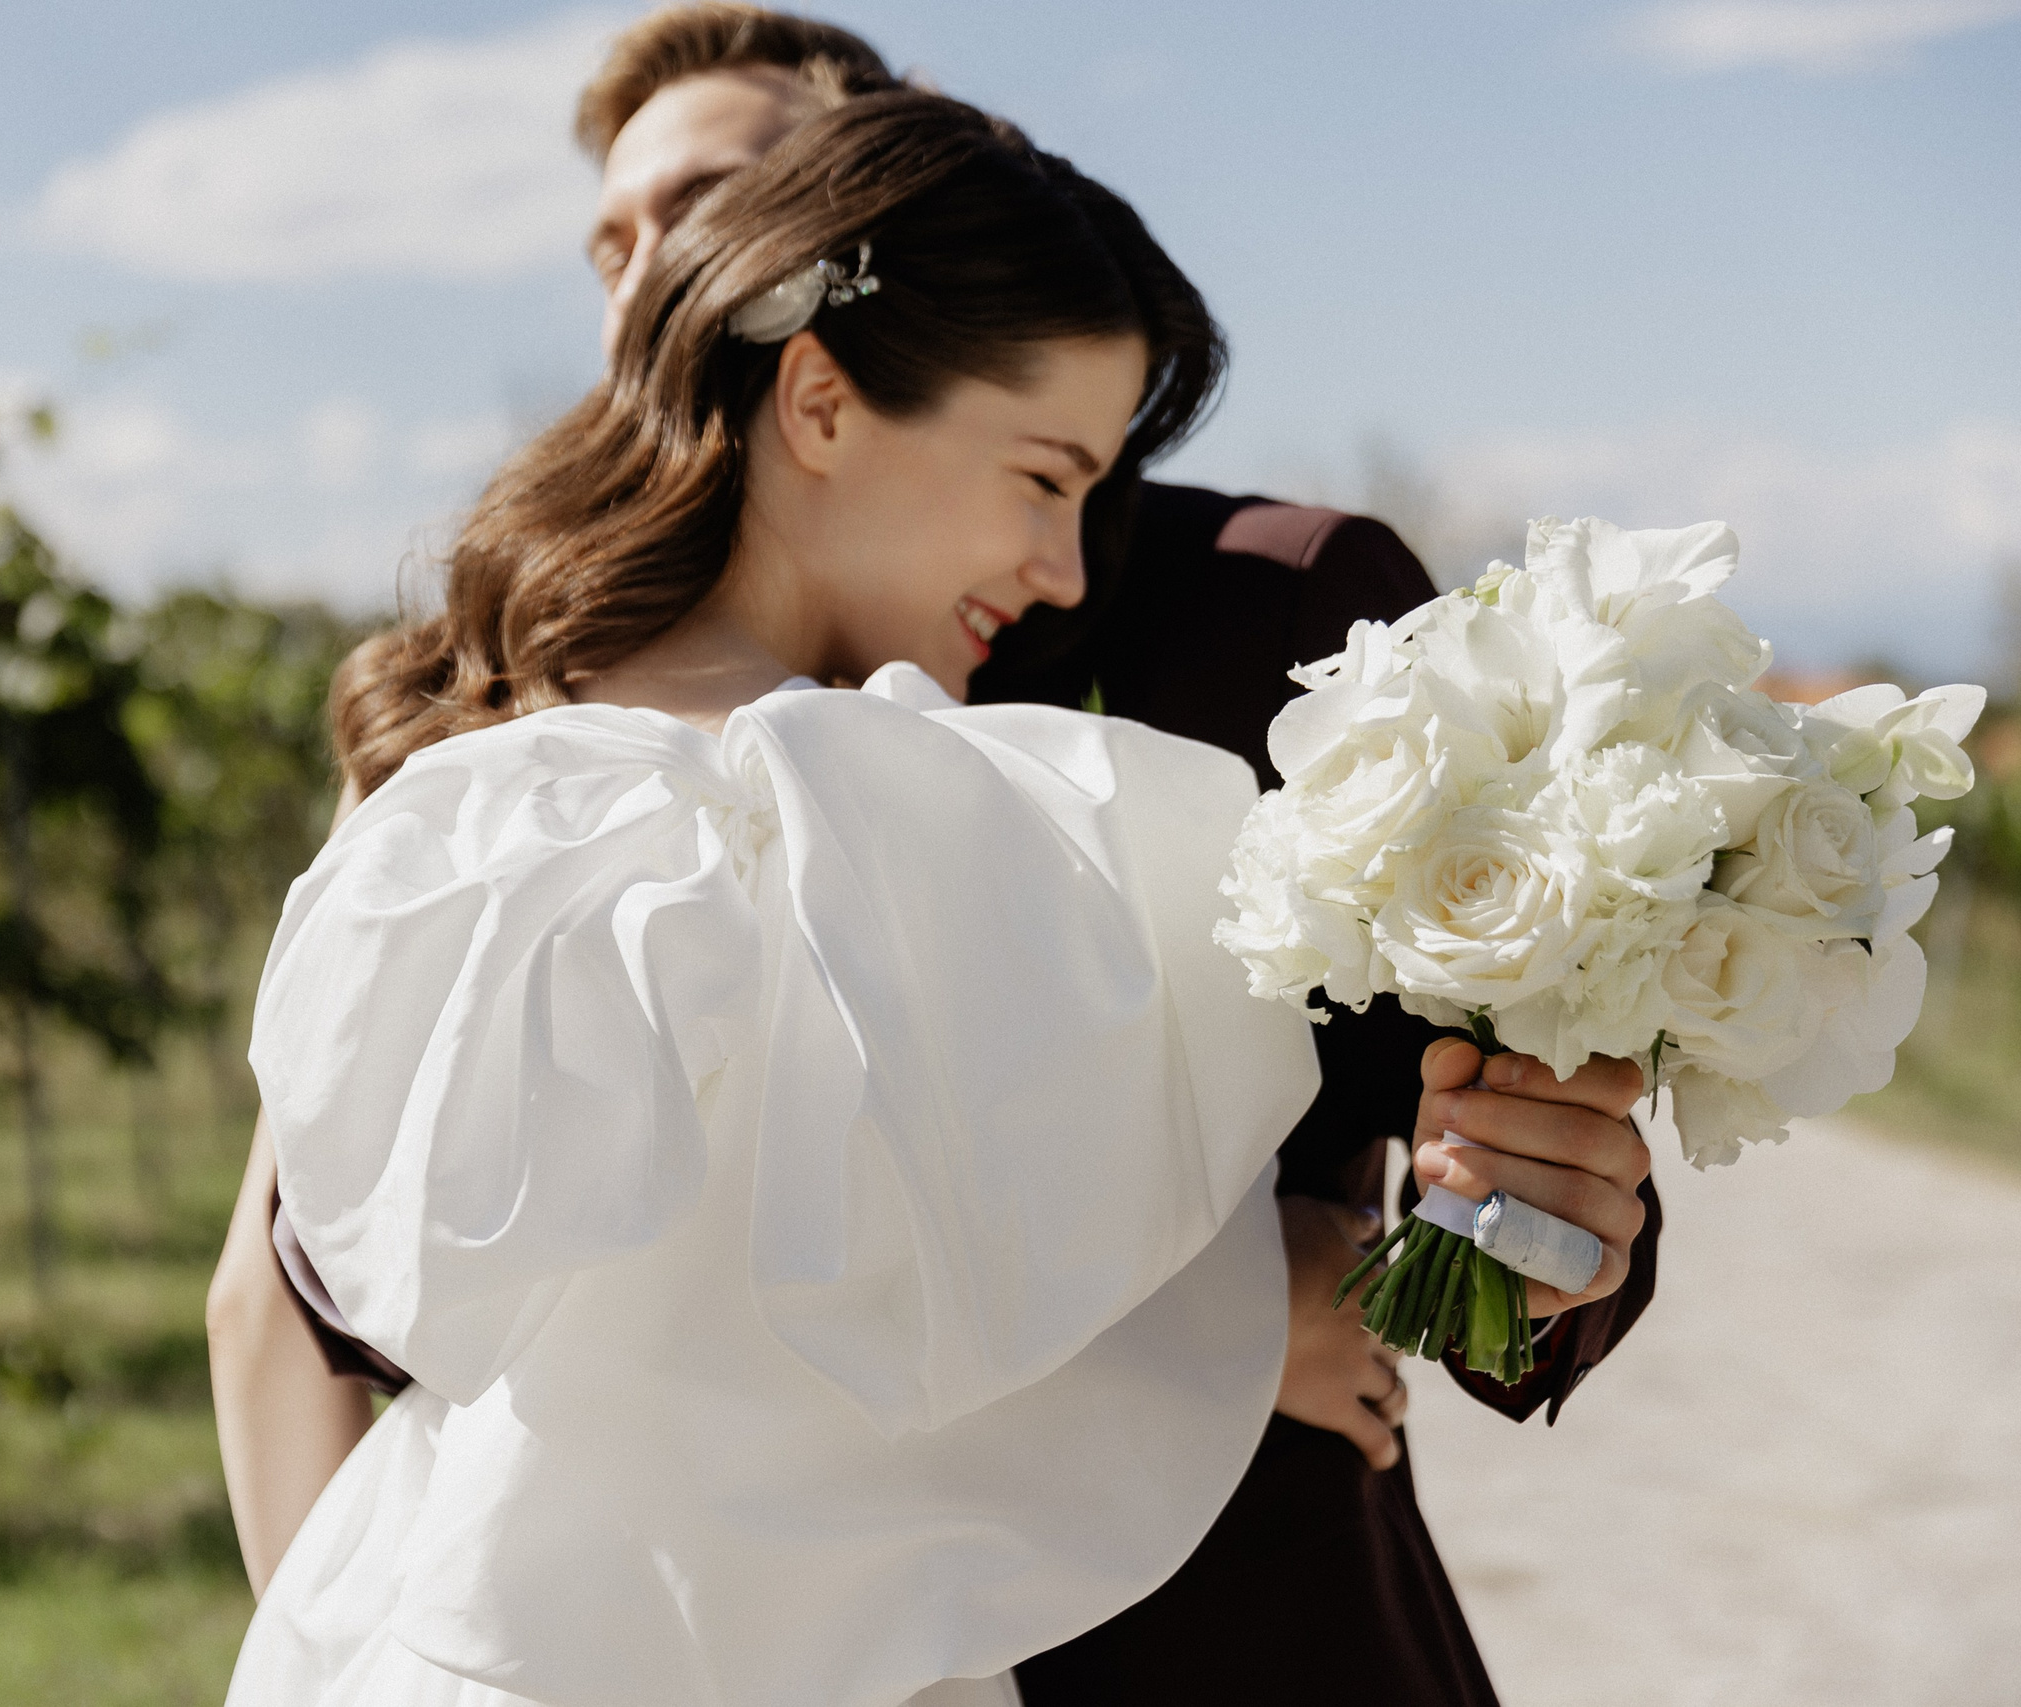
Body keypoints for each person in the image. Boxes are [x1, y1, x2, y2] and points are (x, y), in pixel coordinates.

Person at [207, 10, 1662, 1701]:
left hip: (1228, 1639)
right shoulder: (469, 720)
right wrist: (1210, 1316)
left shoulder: (1263, 612)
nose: (670, 274)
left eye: (730, 196)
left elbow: (1507, 1174)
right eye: (615, 238)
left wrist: (1535, 1234)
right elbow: (330, 1284)